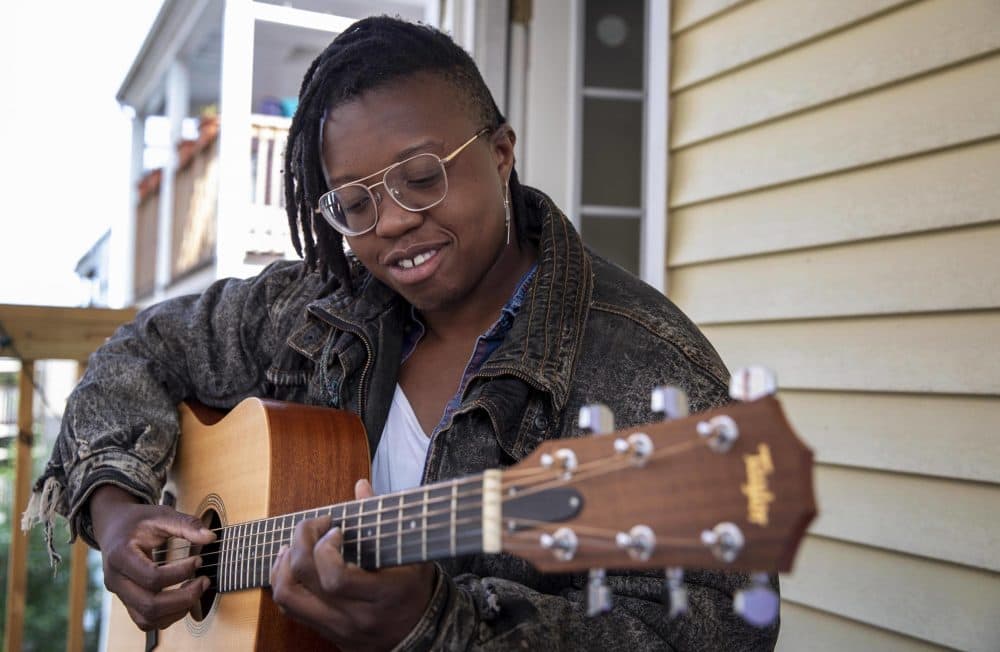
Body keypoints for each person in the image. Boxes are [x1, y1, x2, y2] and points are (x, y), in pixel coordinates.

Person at [26, 16, 778, 651]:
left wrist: (437, 624)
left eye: (422, 177)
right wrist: (117, 511)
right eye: (353, 203)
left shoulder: (645, 371)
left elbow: (710, 627)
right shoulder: (319, 308)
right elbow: (140, 352)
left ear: (501, 152)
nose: (390, 223)